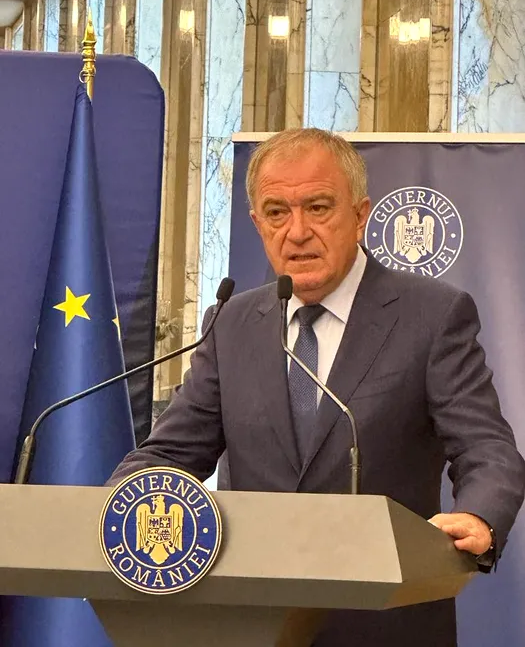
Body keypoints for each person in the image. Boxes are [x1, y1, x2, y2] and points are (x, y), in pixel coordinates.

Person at [109, 128, 525, 647]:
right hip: (253, 621)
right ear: (257, 223)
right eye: (277, 212)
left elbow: (486, 447)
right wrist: (107, 509)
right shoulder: (232, 322)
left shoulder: (432, 315)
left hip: (385, 623)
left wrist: (478, 513)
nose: (297, 232)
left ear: (360, 214)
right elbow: (171, 454)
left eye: (318, 207)